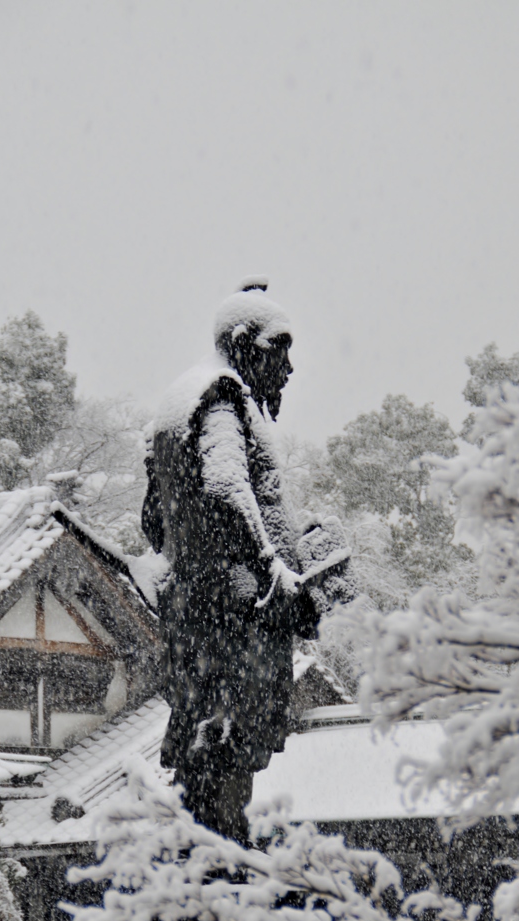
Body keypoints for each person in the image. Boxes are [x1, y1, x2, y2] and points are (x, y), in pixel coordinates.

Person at [142, 278, 350, 842]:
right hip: (232, 615)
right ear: (241, 343)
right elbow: (227, 486)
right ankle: (219, 858)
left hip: (199, 612)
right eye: (277, 353)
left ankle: (211, 853)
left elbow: (153, 523)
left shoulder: (174, 408)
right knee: (225, 741)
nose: (287, 370)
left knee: (209, 745)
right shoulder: (221, 395)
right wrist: (270, 567)